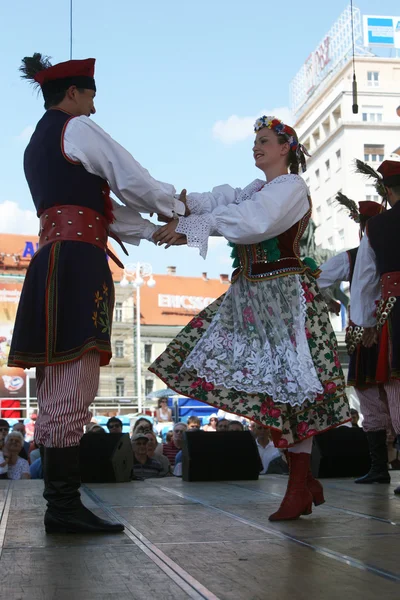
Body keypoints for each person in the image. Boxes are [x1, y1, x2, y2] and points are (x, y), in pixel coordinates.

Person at [7, 53, 187, 535]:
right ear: (72, 93)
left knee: (55, 387)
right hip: (78, 262)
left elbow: (95, 205)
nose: (93, 107)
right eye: (89, 96)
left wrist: (154, 230)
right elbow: (129, 179)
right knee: (74, 382)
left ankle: (60, 505)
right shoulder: (76, 129)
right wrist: (178, 206)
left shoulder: (36, 143)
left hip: (53, 260)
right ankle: (62, 508)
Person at [150, 115, 350, 521]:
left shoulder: (291, 187)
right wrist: (184, 206)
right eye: (254, 142)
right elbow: (225, 200)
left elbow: (254, 222)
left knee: (292, 389)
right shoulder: (256, 188)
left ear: (285, 148)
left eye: (264, 140)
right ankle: (304, 482)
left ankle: (298, 485)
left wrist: (190, 225)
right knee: (267, 388)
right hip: (252, 297)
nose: (256, 147)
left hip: (285, 300)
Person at [318, 194, 392, 485]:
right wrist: (330, 299)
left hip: (369, 334)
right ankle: (379, 467)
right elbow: (318, 279)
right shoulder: (355, 256)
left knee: (379, 399)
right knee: (375, 399)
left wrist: (328, 299)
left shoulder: (353, 256)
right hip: (377, 333)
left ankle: (380, 467)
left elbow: (317, 279)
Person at [351, 159, 400, 496]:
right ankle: (379, 468)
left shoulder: (377, 228)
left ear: (385, 190)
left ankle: (381, 469)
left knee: (396, 388)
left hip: (393, 312)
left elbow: (364, 280)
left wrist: (366, 323)